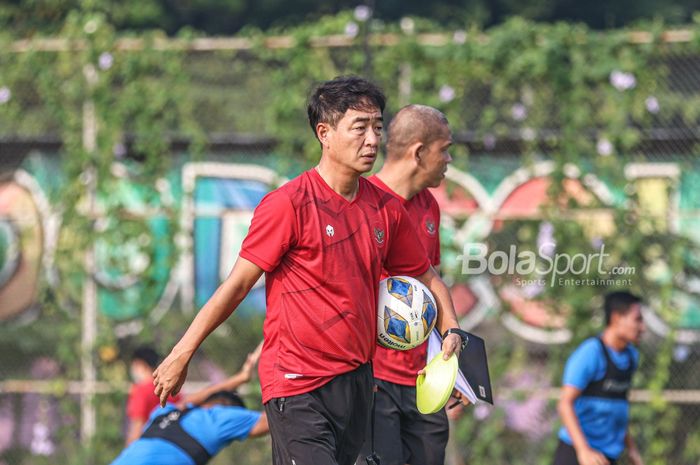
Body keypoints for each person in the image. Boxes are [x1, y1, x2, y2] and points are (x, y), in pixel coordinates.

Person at [152, 76, 465, 465]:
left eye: (378, 127)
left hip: (358, 381)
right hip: (297, 383)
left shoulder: (385, 208)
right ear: (325, 133)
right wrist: (182, 353)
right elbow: (235, 287)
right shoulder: (288, 205)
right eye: (360, 127)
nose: (372, 140)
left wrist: (450, 329)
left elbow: (426, 277)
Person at [358, 104, 454, 465]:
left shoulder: (430, 207)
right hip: (373, 382)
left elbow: (430, 288)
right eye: (444, 149)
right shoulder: (362, 203)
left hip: (423, 382)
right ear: (418, 152)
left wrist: (450, 372)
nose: (449, 159)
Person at [111, 347, 268, 465]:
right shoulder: (219, 418)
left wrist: (240, 378)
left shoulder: (163, 413)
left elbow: (189, 402)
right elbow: (274, 420)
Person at [554, 291, 646, 465]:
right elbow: (565, 403)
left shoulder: (631, 357)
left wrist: (632, 449)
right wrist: (583, 451)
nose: (643, 327)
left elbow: (618, 409)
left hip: (608, 456)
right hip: (577, 453)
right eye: (638, 319)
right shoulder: (591, 353)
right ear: (617, 318)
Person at [126, 346, 182, 445]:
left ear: (141, 364)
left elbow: (137, 426)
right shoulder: (170, 388)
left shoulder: (141, 390)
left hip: (147, 447)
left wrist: (128, 454)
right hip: (172, 445)